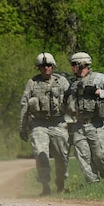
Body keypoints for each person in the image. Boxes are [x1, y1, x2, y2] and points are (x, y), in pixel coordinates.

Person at [19, 53, 70, 196]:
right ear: (38, 68)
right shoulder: (32, 83)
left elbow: (71, 101)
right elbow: (24, 104)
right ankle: (45, 186)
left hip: (58, 123)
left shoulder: (62, 82)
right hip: (39, 124)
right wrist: (22, 127)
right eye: (42, 66)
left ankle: (61, 183)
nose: (45, 68)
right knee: (41, 154)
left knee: (62, 157)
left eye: (48, 65)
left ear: (53, 66)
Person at [67, 52, 104, 184]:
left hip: (97, 125)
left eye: (74, 65)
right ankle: (93, 185)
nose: (72, 68)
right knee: (83, 157)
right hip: (79, 125)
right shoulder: (73, 84)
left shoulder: (100, 79)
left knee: (101, 155)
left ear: (82, 64)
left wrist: (98, 92)